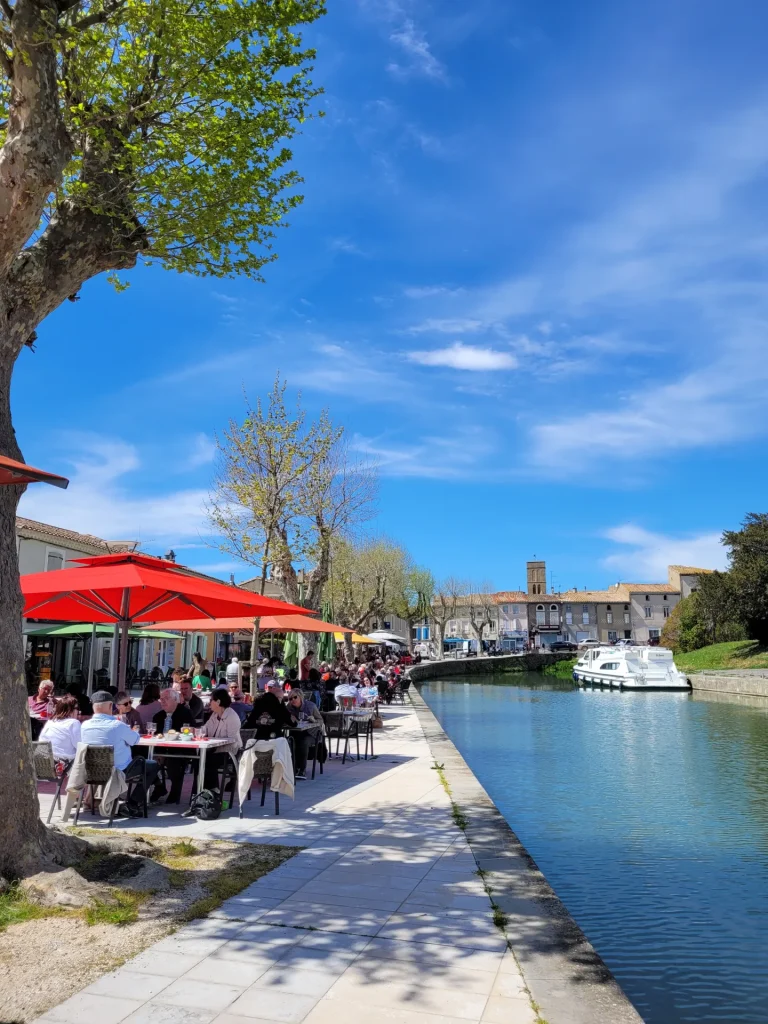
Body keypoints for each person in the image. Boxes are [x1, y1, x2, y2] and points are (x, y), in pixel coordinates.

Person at [80, 690, 158, 817]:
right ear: (111, 706)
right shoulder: (117, 725)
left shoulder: (84, 726)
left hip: (93, 771)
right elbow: (135, 740)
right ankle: (132, 803)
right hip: (118, 771)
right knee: (152, 765)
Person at [151, 688, 195, 803]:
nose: (163, 702)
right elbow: (155, 736)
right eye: (161, 699)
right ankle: (159, 786)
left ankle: (175, 792)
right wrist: (159, 751)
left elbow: (190, 733)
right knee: (144, 759)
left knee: (173, 760)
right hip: (161, 749)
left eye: (166, 699)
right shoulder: (158, 717)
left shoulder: (185, 713)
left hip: (181, 749)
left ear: (175, 700)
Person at [201, 689, 242, 790]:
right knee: (198, 760)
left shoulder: (232, 716)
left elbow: (231, 740)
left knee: (208, 760)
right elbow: (205, 729)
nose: (209, 703)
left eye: (211, 700)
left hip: (229, 752)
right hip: (215, 749)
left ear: (218, 702)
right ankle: (200, 791)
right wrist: (194, 731)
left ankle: (214, 792)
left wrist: (214, 742)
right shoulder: (215, 715)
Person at [286, 689, 323, 780]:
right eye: (290, 699)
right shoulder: (289, 707)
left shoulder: (310, 706)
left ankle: (302, 770)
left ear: (300, 697)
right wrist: (289, 720)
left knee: (303, 742)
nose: (293, 700)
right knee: (289, 742)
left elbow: (321, 720)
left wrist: (314, 720)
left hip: (312, 733)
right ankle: (293, 768)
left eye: (295, 697)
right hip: (296, 732)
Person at [39, 695, 82, 760]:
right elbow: (80, 746)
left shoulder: (50, 722)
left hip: (43, 762)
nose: (79, 712)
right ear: (70, 710)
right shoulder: (73, 723)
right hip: (62, 764)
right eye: (77, 708)